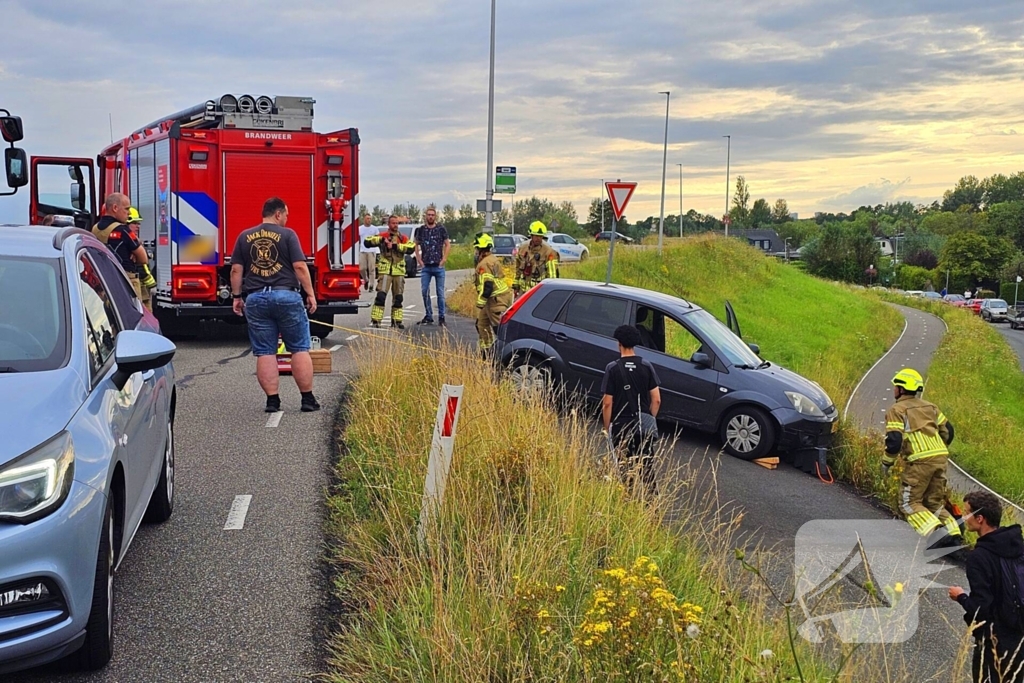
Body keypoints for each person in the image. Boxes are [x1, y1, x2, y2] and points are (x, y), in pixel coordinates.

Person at [230, 197, 320, 413]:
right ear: (278, 214)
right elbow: (299, 266)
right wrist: (310, 293)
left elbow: (235, 270)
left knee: (265, 351)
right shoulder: (288, 235)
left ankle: (273, 401)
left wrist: (236, 296)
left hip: (256, 298)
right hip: (286, 296)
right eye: (286, 214)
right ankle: (307, 399)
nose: (287, 219)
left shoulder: (244, 236)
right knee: (299, 348)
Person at [948, 491, 1024, 683]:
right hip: (1020, 636)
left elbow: (981, 609)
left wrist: (961, 597)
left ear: (980, 518)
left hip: (995, 641)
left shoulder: (979, 557)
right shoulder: (1018, 545)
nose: (964, 517)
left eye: (967, 513)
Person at [881, 368, 960, 543]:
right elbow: (949, 432)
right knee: (933, 502)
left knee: (909, 503)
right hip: (940, 458)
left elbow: (894, 441)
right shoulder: (931, 407)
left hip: (920, 461)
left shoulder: (897, 409)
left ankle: (937, 535)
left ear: (901, 389)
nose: (894, 389)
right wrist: (937, 449)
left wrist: (887, 463)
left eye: (896, 386)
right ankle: (954, 534)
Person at [601, 325, 662, 494]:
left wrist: (607, 427)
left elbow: (607, 403)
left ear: (619, 343)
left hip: (621, 426)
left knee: (625, 470)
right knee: (647, 470)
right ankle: (653, 509)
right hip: (642, 426)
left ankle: (628, 503)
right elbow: (656, 399)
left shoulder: (612, 368)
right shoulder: (646, 366)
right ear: (634, 343)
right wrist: (649, 418)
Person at [91, 193, 156, 310]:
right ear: (115, 208)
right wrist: (133, 253)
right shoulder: (123, 230)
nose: (129, 213)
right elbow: (143, 258)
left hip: (105, 280)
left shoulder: (95, 229)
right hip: (127, 281)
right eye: (127, 209)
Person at [363, 215, 416, 329]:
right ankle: (376, 320)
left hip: (399, 271)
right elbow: (367, 242)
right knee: (381, 296)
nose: (395, 225)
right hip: (385, 270)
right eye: (393, 223)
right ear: (389, 224)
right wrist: (382, 240)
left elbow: (411, 247)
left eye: (397, 223)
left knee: (398, 298)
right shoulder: (383, 236)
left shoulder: (403, 238)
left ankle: (397, 321)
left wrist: (395, 246)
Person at [471, 233, 512, 357]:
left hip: (496, 300)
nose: (475, 252)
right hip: (493, 299)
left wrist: (480, 303)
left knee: (499, 329)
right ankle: (487, 352)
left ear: (481, 249)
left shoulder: (484, 264)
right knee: (481, 324)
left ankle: (505, 354)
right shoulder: (492, 259)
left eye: (477, 249)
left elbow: (487, 287)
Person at [414, 207, 451, 327]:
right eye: (428, 215)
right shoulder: (420, 230)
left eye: (432, 215)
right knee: (424, 291)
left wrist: (444, 259)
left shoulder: (441, 229)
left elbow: (447, 244)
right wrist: (419, 259)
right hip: (426, 266)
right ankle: (428, 315)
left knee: (440, 292)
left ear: (435, 216)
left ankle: (441, 316)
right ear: (425, 216)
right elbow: (416, 244)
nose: (430, 217)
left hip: (438, 266)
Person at [514, 221, 559, 296]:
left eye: (540, 236)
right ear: (531, 235)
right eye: (536, 236)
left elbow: (552, 277)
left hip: (538, 293)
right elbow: (517, 269)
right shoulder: (522, 248)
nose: (538, 238)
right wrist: (515, 286)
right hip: (523, 291)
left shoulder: (549, 252)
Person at [124, 206, 153, 311]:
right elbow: (142, 265)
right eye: (135, 223)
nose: (138, 227)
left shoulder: (134, 241)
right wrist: (151, 283)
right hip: (135, 287)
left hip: (141, 288)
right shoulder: (128, 242)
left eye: (138, 223)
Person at [357, 213, 380, 292]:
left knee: (372, 269)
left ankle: (371, 285)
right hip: (363, 250)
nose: (369, 220)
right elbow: (358, 239)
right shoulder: (360, 228)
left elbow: (378, 239)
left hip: (372, 251)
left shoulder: (374, 229)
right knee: (361, 268)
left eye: (370, 218)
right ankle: (366, 279)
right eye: (367, 218)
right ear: (364, 219)